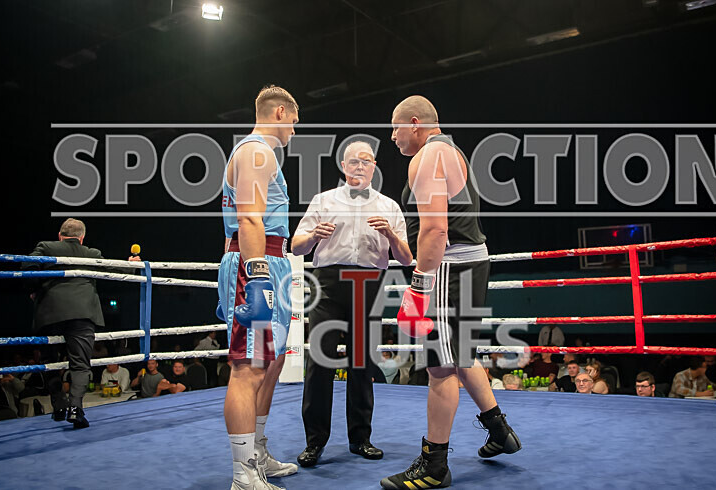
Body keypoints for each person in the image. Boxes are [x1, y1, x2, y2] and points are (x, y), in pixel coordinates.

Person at [381, 95, 521, 490]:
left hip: (451, 266)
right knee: (460, 355)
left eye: (395, 127)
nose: (392, 136)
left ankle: (434, 464)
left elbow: (436, 230)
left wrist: (419, 287)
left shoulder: (427, 157)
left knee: (440, 366)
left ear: (414, 122)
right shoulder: (450, 151)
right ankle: (499, 431)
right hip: (467, 264)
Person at [292, 140, 412, 467]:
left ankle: (361, 439)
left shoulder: (388, 206)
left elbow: (406, 257)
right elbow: (297, 246)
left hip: (369, 283)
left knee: (361, 364)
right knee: (320, 363)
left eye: (365, 161)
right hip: (327, 284)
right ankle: (314, 443)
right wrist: (314, 234)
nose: (359, 167)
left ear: (374, 166)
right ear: (343, 166)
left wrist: (390, 235)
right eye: (353, 162)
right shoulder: (323, 200)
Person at [217, 85, 299, 490]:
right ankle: (243, 472)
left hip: (272, 261)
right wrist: (258, 275)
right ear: (280, 113)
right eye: (295, 122)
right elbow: (249, 220)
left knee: (271, 362)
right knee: (247, 367)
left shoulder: (261, 155)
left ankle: (258, 454)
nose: (294, 131)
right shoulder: (255, 151)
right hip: (258, 263)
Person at [21, 218, 140, 429]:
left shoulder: (46, 247)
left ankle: (58, 405)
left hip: (49, 313)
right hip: (81, 314)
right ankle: (75, 409)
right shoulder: (91, 253)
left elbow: (27, 265)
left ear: (60, 235)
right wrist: (130, 266)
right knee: (80, 365)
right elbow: (113, 273)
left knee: (50, 361)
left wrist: (34, 289)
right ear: (82, 238)